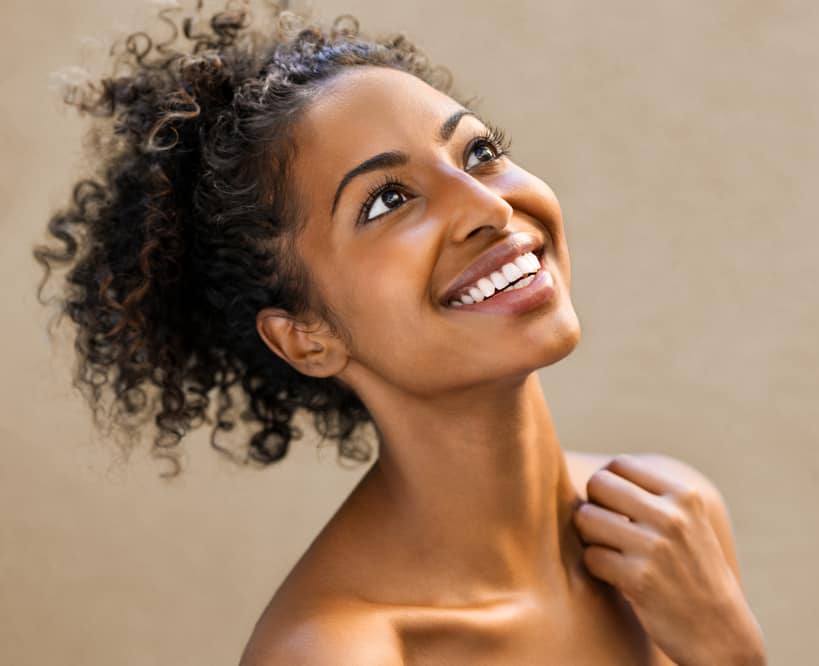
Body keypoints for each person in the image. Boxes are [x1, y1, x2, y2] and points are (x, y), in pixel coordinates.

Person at [35, 4, 766, 664]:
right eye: (387, 199)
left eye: (477, 152)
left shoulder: (668, 524)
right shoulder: (345, 651)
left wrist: (723, 639)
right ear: (305, 337)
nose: (486, 207)